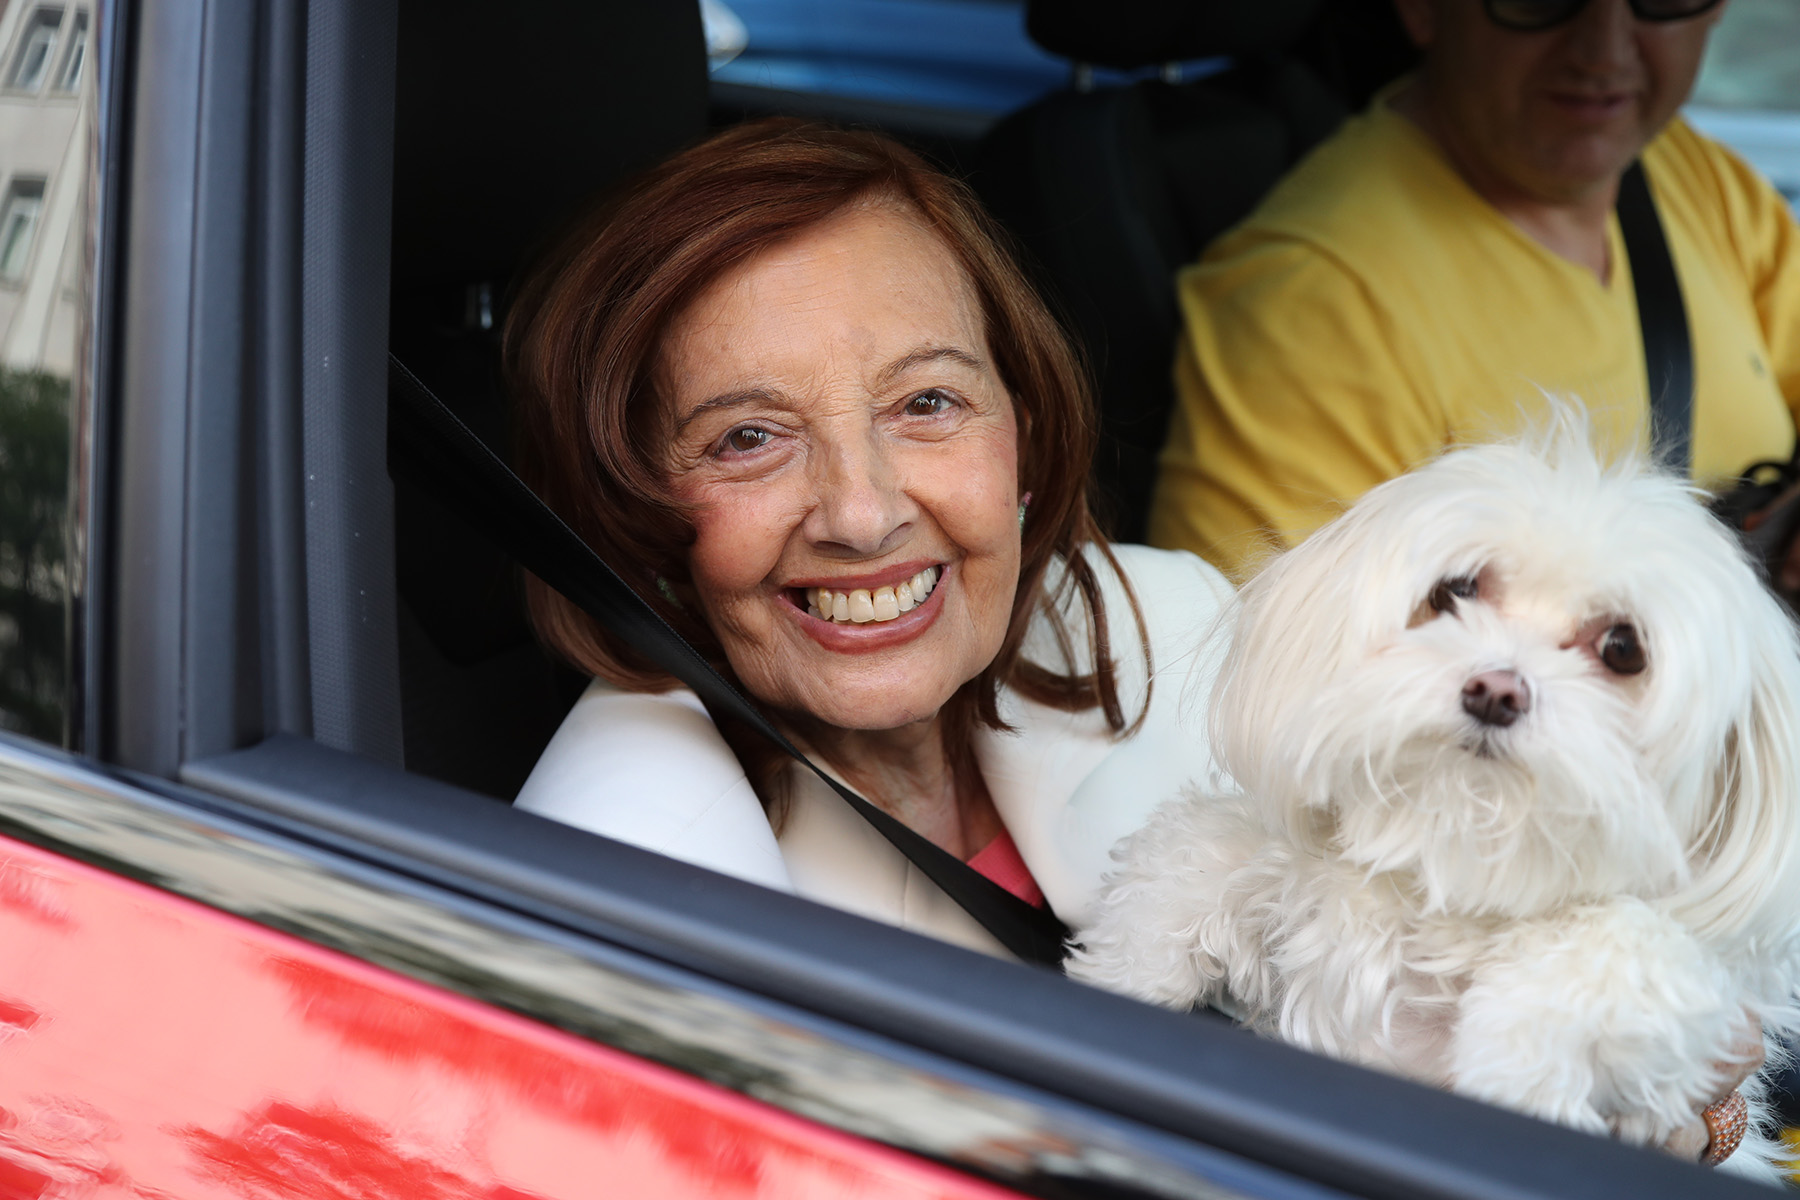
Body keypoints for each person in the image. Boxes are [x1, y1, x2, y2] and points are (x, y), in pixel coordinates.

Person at [505, 119, 1232, 960]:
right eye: (749, 438)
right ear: (636, 521)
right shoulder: (628, 875)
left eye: (926, 403)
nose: (862, 514)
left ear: (1022, 442)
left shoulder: (1184, 631)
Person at [1148, 0, 1800, 582]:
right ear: (1424, 8)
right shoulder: (1310, 304)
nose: (1605, 49)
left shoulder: (1691, 175)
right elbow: (1262, 696)